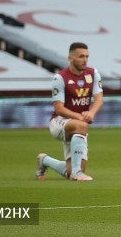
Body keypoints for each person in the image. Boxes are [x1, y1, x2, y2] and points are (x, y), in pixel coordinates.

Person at [35, 42, 103, 182]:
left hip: (78, 125)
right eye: (81, 56)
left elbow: (99, 99)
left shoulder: (93, 73)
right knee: (82, 125)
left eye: (87, 56)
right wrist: (80, 117)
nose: (85, 60)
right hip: (59, 122)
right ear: (70, 58)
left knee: (69, 170)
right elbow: (59, 108)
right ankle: (77, 173)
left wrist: (91, 113)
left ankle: (45, 161)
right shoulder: (60, 78)